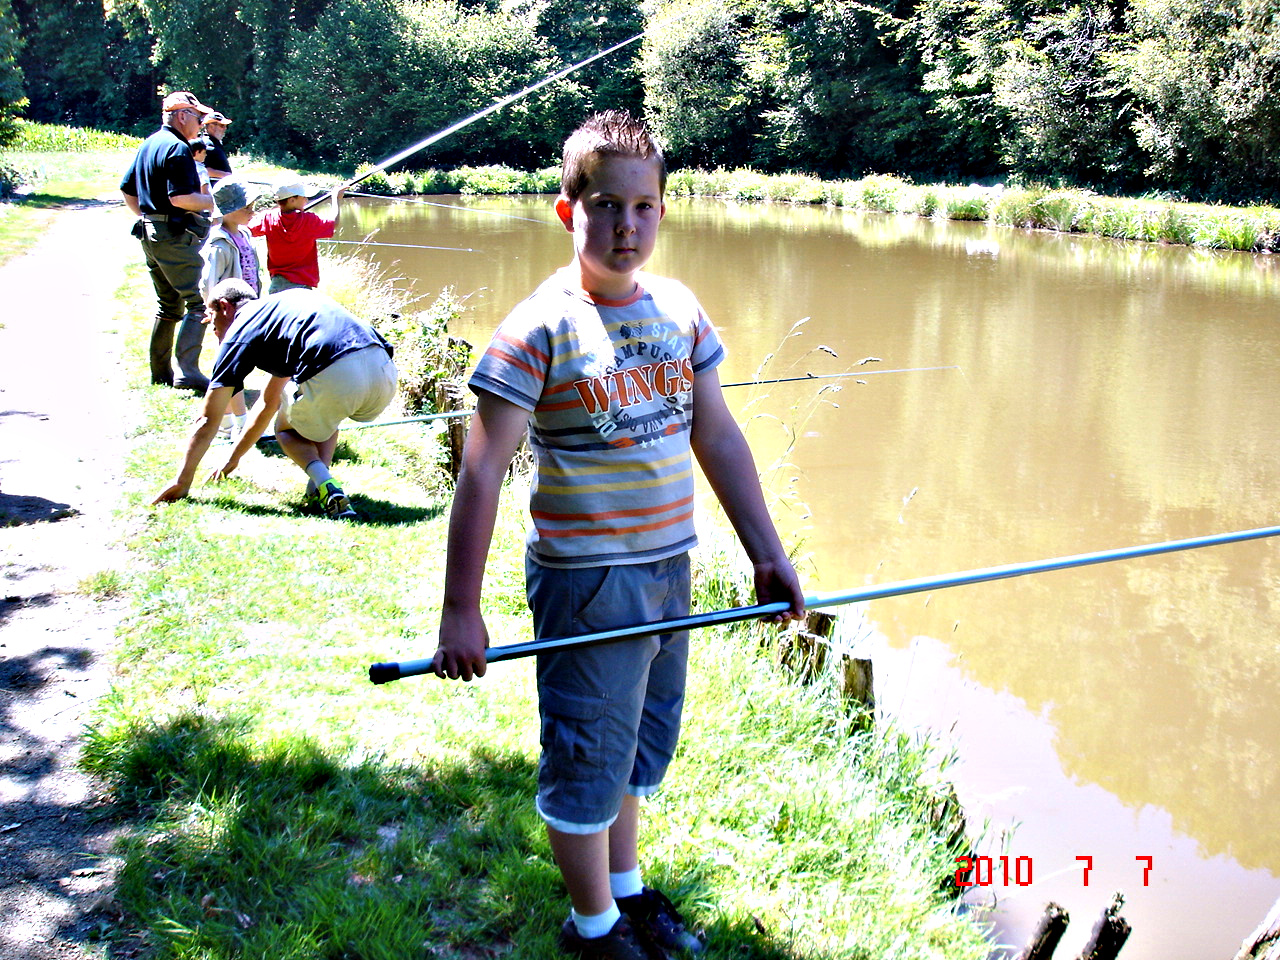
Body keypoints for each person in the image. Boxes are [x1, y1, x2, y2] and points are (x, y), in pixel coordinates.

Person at [430, 110, 806, 960]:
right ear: (569, 211)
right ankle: (593, 928)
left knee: (635, 745)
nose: (625, 226)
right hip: (588, 580)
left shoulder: (680, 309)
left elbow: (718, 435)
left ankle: (626, 893)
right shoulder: (540, 327)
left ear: (663, 212)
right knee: (585, 758)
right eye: (605, 206)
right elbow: (483, 470)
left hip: (670, 567)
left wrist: (768, 553)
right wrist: (461, 611)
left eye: (642, 207)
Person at [151, 280, 398, 521]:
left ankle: (324, 483)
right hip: (383, 371)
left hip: (336, 370)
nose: (213, 329)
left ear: (225, 306)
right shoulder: (281, 312)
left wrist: (181, 481)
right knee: (323, 411)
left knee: (286, 428)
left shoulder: (242, 328)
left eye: (212, 318)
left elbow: (208, 418)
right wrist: (233, 458)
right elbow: (268, 401)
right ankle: (319, 491)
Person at [120, 90, 217, 391]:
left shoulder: (149, 144)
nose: (201, 124)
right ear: (181, 116)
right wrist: (210, 202)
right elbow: (179, 198)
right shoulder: (178, 148)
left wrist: (149, 217)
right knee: (201, 303)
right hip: (172, 237)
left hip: (150, 233)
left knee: (168, 306)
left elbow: (127, 190)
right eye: (198, 118)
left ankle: (161, 374)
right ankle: (187, 373)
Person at [200, 177, 263, 439]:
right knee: (230, 366)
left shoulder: (245, 234)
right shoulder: (219, 243)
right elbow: (208, 282)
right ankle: (241, 422)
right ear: (229, 210)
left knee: (234, 364)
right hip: (227, 313)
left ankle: (224, 423)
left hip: (247, 310)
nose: (252, 212)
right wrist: (212, 310)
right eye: (247, 207)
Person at [249, 177, 347, 294]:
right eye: (303, 196)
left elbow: (247, 228)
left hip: (277, 285)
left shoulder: (267, 218)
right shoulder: (309, 220)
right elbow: (334, 222)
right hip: (303, 288)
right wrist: (335, 199)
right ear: (292, 200)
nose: (306, 199)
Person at [199, 111, 234, 182]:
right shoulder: (207, 145)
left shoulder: (214, 143)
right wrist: (228, 176)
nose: (225, 128)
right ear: (211, 126)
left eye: (225, 126)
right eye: (222, 126)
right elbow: (204, 170)